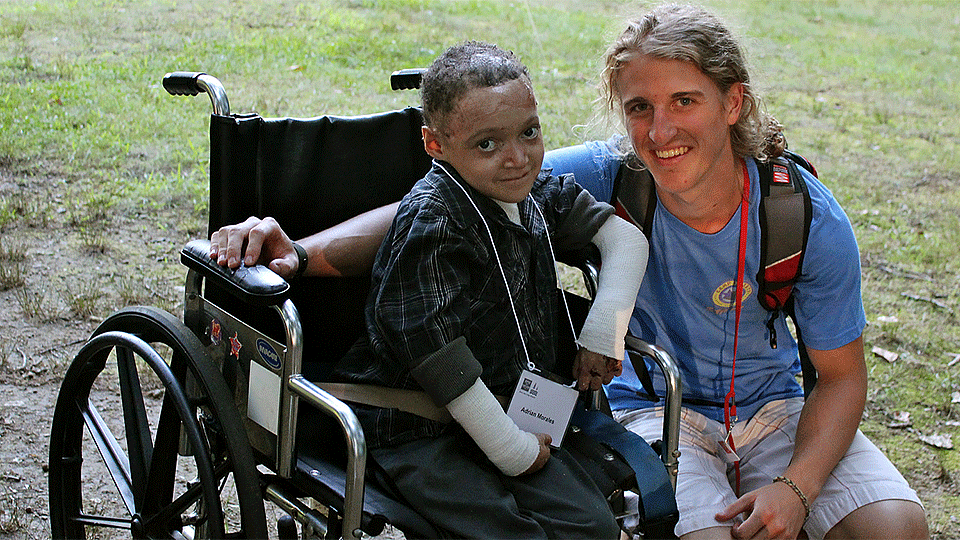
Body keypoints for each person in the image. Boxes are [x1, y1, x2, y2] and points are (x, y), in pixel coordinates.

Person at [212, 41, 647, 539]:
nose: (517, 157)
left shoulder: (536, 193)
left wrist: (603, 331)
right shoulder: (434, 224)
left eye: (529, 132)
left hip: (505, 402)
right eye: (487, 144)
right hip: (413, 425)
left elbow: (625, 240)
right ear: (435, 144)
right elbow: (438, 358)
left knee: (591, 526)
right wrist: (513, 452)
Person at [541, 4, 928, 540]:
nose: (660, 131)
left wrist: (796, 488)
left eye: (684, 100)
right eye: (640, 107)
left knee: (897, 528)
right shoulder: (606, 175)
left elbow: (841, 378)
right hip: (653, 407)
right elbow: (485, 179)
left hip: (775, 407)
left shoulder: (799, 213)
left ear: (733, 102)